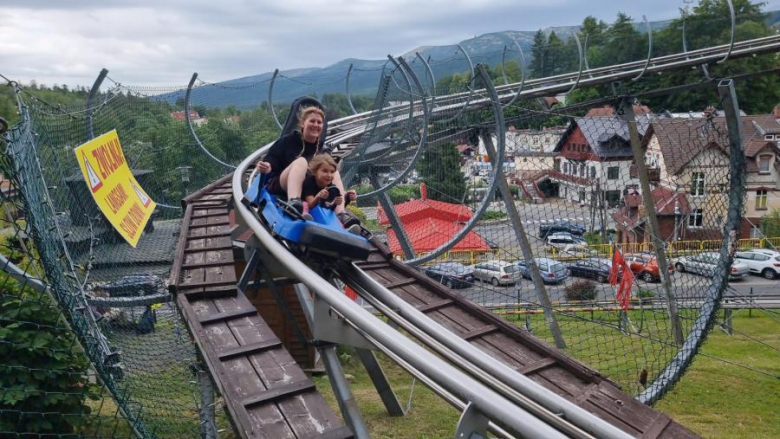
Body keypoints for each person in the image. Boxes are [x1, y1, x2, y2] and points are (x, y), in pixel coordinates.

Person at [256, 105, 358, 226]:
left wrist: (344, 194)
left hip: (310, 190)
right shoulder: (289, 141)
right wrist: (268, 166)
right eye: (312, 121)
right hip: (284, 183)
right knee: (302, 162)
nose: (316, 125)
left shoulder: (322, 149)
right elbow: (272, 157)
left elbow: (327, 178)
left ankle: (340, 213)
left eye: (319, 122)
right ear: (303, 123)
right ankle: (294, 202)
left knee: (332, 170)